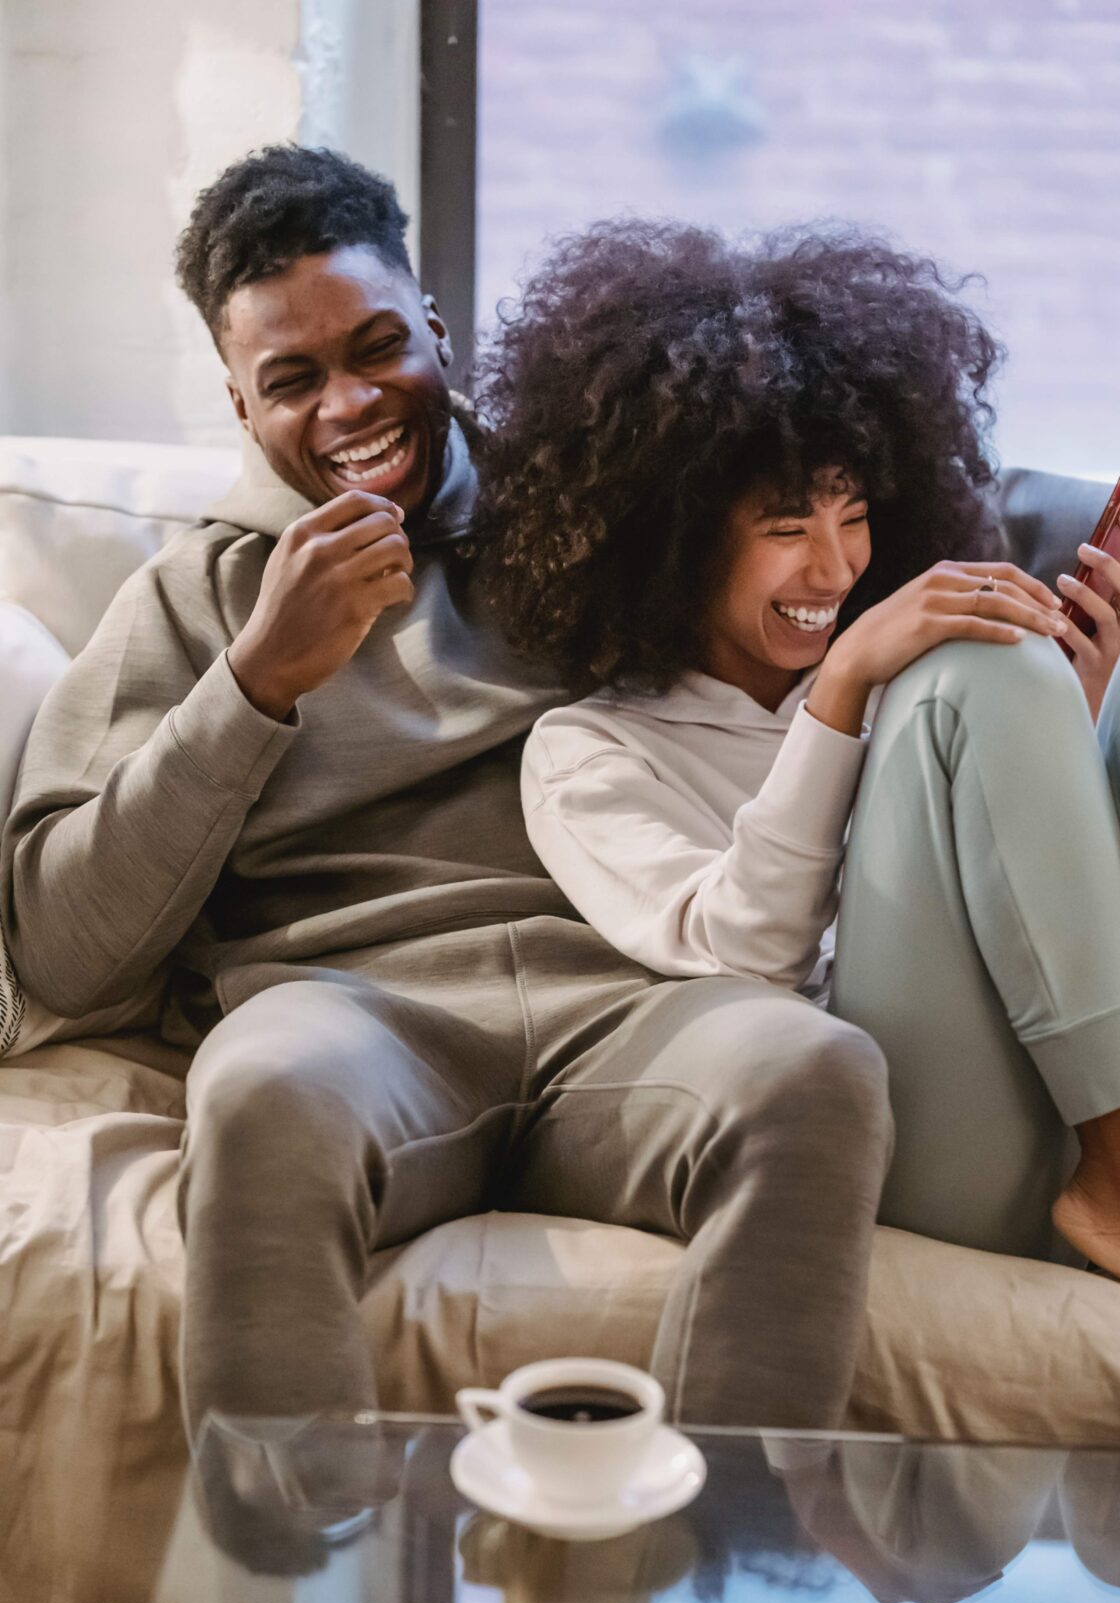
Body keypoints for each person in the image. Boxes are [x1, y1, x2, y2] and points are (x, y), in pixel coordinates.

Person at [0, 149, 894, 1441]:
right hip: (351, 1016)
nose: (351, 404)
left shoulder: (590, 497)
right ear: (240, 407)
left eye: (377, 349)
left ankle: (721, 1585)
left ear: (434, 325)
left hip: (631, 1002)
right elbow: (67, 953)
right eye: (293, 381)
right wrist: (256, 682)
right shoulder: (195, 597)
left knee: (819, 1070)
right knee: (260, 1096)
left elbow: (818, 545)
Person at [477, 218, 1120, 1320]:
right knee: (979, 674)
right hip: (928, 1131)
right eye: (783, 526)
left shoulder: (929, 693)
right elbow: (745, 955)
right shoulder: (590, 751)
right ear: (670, 532)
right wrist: (842, 691)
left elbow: (1046, 913)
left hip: (1097, 1066)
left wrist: (1081, 720)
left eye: (854, 516)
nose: (834, 565)